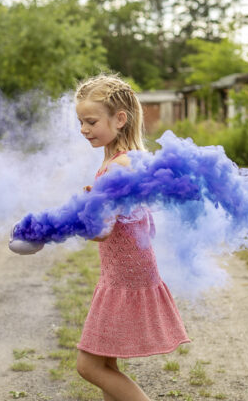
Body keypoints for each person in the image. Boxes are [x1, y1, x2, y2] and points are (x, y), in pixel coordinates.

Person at [74, 74, 191, 401]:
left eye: (91, 121)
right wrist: (96, 197)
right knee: (106, 361)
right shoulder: (123, 160)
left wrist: (84, 212)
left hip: (124, 276)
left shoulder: (118, 166)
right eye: (80, 122)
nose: (83, 129)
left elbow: (101, 231)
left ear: (120, 119)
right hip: (122, 272)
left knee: (89, 365)